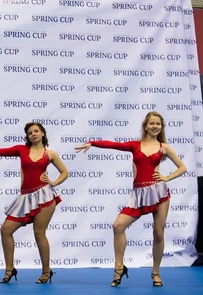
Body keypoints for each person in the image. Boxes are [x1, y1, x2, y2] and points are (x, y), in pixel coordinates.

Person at [75, 111, 187, 287]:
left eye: (158, 124)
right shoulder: (135, 145)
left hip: (159, 194)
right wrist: (92, 143)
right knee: (118, 226)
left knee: (158, 233)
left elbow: (182, 167)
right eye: (152, 124)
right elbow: (112, 144)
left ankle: (156, 273)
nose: (155, 126)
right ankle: (119, 268)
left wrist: (167, 178)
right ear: (145, 126)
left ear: (161, 127)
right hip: (139, 195)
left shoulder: (163, 147)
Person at [0, 121, 68, 285]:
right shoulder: (22, 150)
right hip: (25, 198)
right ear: (27, 136)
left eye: (36, 131)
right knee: (6, 230)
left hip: (45, 197)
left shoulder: (51, 154)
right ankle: (9, 269)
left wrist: (54, 182)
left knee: (39, 233)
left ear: (42, 133)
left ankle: (46, 271)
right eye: (29, 132)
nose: (33, 134)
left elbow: (65, 172)